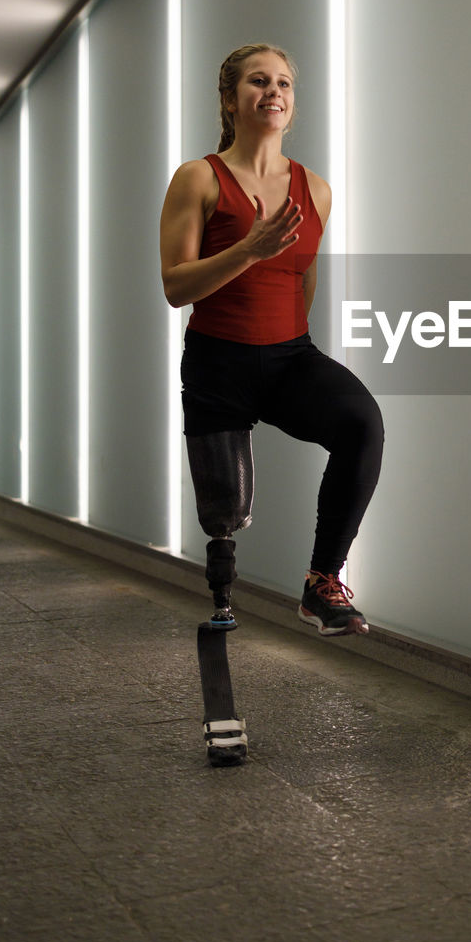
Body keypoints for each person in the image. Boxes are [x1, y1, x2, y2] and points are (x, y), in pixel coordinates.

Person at [160, 43, 383, 636]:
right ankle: (222, 597)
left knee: (362, 423)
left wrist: (283, 341)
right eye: (259, 81)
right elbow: (176, 287)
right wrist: (248, 249)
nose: (274, 92)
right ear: (231, 100)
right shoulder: (198, 178)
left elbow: (303, 279)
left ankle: (321, 584)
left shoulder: (316, 189)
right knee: (225, 514)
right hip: (217, 366)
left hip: (288, 358)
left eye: (284, 83)